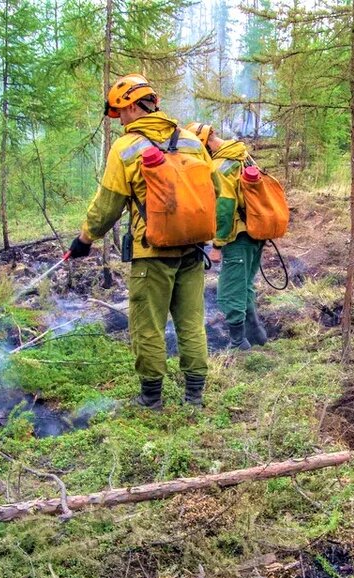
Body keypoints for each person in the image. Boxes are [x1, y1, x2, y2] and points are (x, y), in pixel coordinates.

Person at [67, 75, 219, 410]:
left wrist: (85, 239)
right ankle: (195, 396)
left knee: (148, 326)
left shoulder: (126, 148)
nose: (120, 120)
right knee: (192, 322)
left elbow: (108, 205)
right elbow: (216, 191)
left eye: (120, 112)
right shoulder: (193, 141)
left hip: (152, 253)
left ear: (134, 106)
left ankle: (151, 400)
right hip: (193, 250)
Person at [187, 122, 268, 350]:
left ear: (204, 144)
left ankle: (237, 344)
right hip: (255, 232)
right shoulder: (241, 154)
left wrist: (217, 245)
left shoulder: (220, 165)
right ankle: (257, 335)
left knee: (230, 290)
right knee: (244, 285)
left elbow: (225, 205)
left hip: (237, 237)